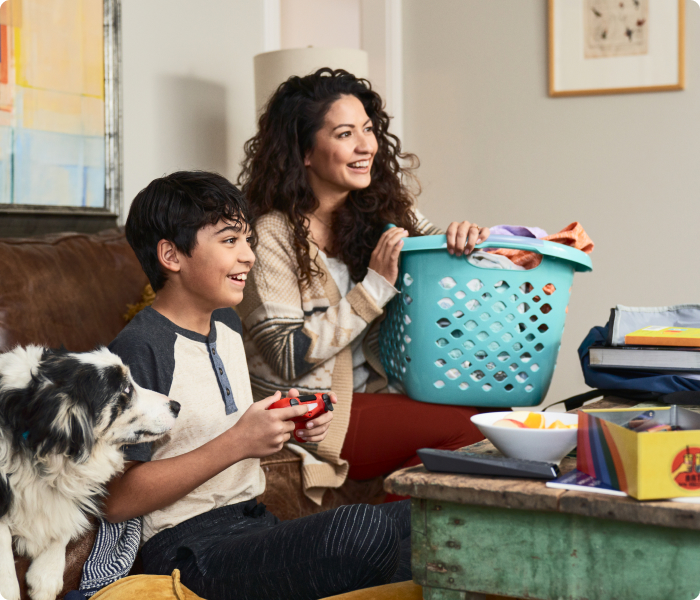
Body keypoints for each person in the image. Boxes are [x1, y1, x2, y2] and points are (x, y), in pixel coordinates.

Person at [90, 171, 411, 600]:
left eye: (247, 241)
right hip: (192, 551)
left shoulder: (225, 322)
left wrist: (287, 419)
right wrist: (240, 442)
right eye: (229, 241)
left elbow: (215, 417)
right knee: (363, 529)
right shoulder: (139, 348)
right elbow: (117, 499)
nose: (250, 257)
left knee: (432, 518)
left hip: (254, 523)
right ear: (171, 255)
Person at [236, 68, 492, 502]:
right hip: (315, 415)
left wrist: (468, 243)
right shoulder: (273, 233)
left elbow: (444, 266)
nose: (365, 146)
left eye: (369, 130)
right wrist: (374, 288)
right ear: (305, 153)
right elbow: (285, 356)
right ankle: (391, 540)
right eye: (344, 134)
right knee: (473, 431)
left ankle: (390, 535)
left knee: (500, 416)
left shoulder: (383, 210)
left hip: (379, 397)